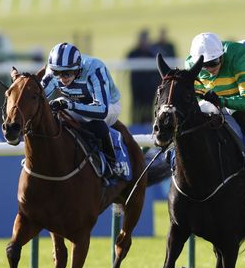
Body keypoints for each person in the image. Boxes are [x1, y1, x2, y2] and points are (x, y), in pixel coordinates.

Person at [186, 32, 245, 212]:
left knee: (236, 112)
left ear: (222, 55)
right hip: (215, 100)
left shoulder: (240, 57)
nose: (210, 68)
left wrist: (221, 101)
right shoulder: (191, 64)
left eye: (214, 62)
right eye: (205, 65)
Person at [42, 42, 126, 178]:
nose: (63, 78)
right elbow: (38, 97)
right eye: (57, 72)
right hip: (77, 103)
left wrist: (70, 105)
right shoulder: (52, 72)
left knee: (89, 118)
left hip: (109, 105)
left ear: (78, 68)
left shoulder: (95, 68)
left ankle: (113, 163)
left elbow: (101, 110)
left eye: (68, 73)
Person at [126, 29, 159, 124]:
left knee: (148, 106)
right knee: (136, 106)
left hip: (149, 87)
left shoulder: (152, 53)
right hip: (136, 86)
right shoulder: (133, 53)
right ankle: (135, 124)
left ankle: (148, 124)